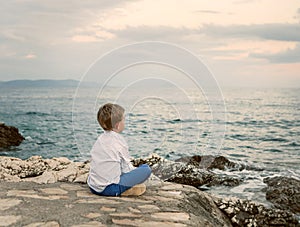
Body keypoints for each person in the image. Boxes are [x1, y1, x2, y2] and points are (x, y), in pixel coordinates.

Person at [87, 103, 151, 196]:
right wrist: (136, 172)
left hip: (93, 187)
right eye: (123, 120)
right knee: (146, 169)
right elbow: (126, 169)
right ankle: (124, 191)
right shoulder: (119, 142)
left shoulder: (100, 139)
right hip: (110, 189)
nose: (124, 122)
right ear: (117, 125)